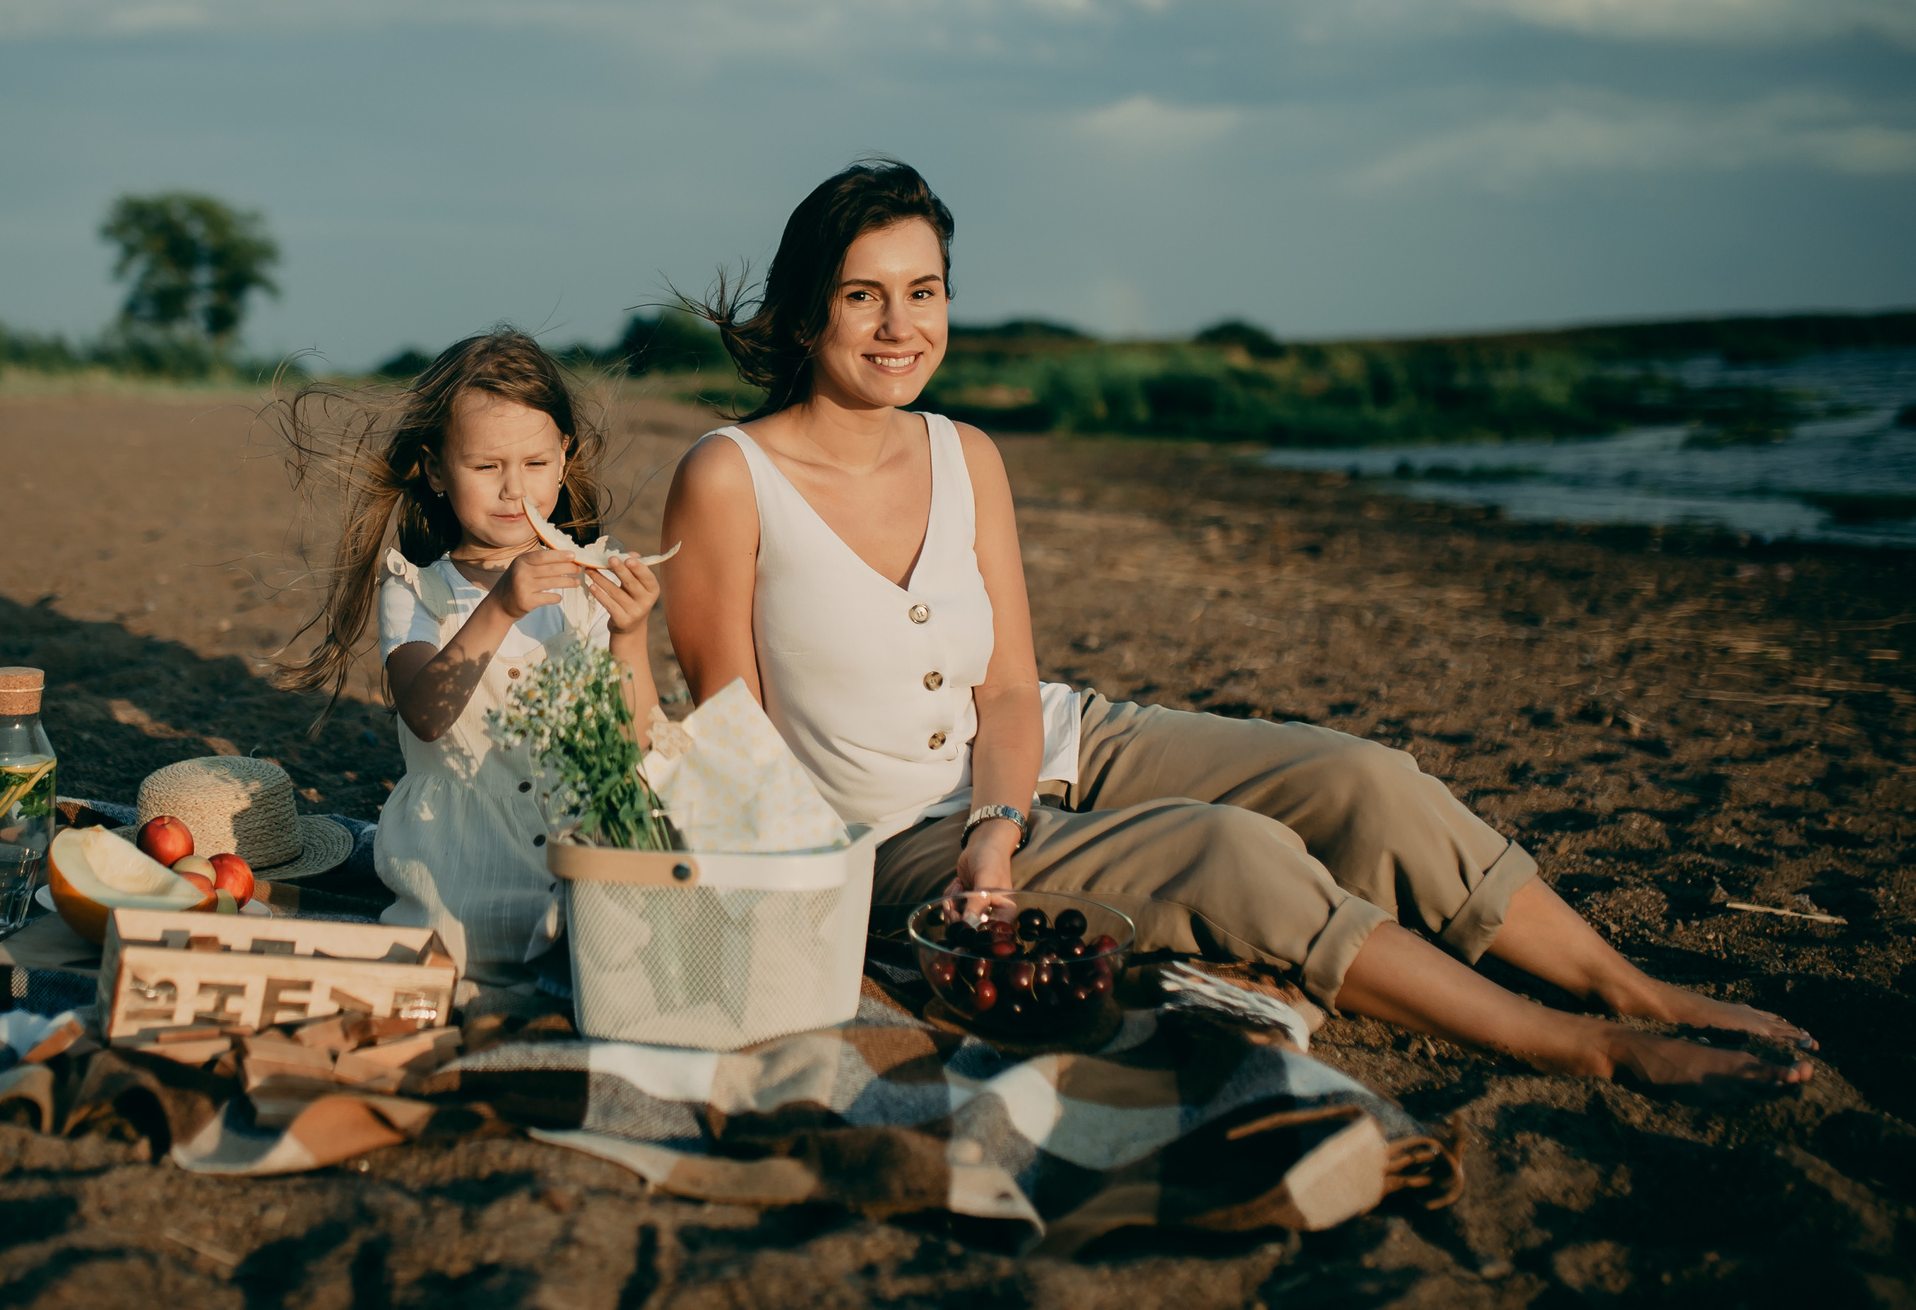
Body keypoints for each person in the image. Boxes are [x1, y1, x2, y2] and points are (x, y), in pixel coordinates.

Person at [656, 160, 1812, 1092]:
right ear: (807, 310)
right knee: (1231, 851)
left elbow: (1012, 690)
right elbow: (736, 743)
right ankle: (1576, 1045)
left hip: (1054, 748)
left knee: (1364, 778)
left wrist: (1001, 826)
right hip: (890, 837)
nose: (900, 325)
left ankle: (1630, 988)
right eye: (865, 294)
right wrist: (942, 868)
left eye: (925, 290)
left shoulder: (967, 452)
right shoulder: (730, 476)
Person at [275, 328, 666, 989]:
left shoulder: (592, 580)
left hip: (578, 891)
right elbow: (426, 713)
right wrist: (499, 609)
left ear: (566, 456)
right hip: (457, 889)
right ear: (435, 469)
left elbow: (634, 743)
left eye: (536, 465)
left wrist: (630, 638)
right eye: (487, 468)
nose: (515, 491)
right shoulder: (416, 587)